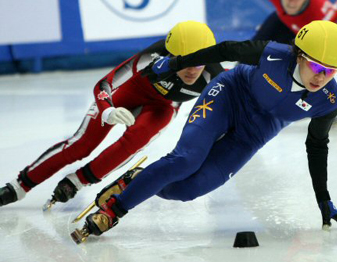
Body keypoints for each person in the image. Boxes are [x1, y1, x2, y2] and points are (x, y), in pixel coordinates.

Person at [71, 20, 337, 243]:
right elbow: (224, 50)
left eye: (332, 71)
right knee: (186, 160)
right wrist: (173, 63)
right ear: (299, 55)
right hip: (229, 96)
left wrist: (323, 198)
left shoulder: (327, 101)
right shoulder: (272, 55)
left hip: (255, 132)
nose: (322, 77)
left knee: (186, 190)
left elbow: (317, 145)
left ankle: (136, 179)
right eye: (318, 66)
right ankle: (113, 210)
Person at [0, 21, 224, 207]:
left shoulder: (214, 74)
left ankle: (78, 181)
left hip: (163, 106)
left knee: (136, 140)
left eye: (200, 61)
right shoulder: (152, 57)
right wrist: (107, 110)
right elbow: (104, 84)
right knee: (82, 144)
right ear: (171, 55)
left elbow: (234, 98)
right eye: (185, 62)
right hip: (129, 92)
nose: (193, 70)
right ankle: (19, 186)